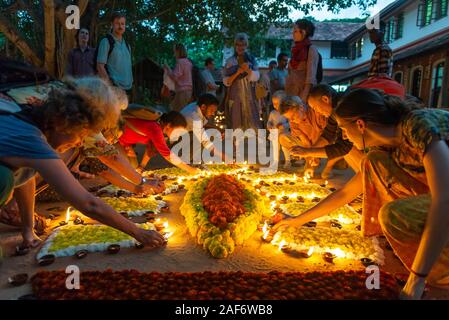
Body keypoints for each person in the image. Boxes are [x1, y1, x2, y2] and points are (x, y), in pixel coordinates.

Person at [277, 88, 449, 299]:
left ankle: (442, 282)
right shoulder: (385, 147)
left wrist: (417, 278)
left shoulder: (417, 126)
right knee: (372, 162)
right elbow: (345, 193)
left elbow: (444, 199)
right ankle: (427, 250)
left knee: (394, 214)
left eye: (345, 131)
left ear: (360, 125)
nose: (346, 137)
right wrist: (297, 220)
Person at [0, 77, 165, 249]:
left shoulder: (38, 110)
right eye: (83, 134)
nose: (81, 142)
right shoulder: (31, 136)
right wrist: (139, 232)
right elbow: (89, 203)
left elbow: (26, 176)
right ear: (67, 123)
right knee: (3, 179)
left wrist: (28, 229)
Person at [291, 84, 364, 178]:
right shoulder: (334, 112)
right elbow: (327, 136)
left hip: (378, 145)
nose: (317, 112)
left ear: (325, 99)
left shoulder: (344, 107)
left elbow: (343, 147)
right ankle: (364, 178)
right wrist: (312, 152)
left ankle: (371, 179)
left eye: (315, 107)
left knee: (349, 149)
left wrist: (308, 152)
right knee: (346, 149)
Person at [117, 111, 199, 174]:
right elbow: (168, 156)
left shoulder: (158, 126)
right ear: (169, 126)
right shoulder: (156, 128)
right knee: (126, 171)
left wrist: (141, 167)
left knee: (134, 169)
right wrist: (190, 169)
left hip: (124, 143)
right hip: (114, 138)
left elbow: (151, 148)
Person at [279, 95, 328, 177]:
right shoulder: (293, 121)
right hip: (309, 144)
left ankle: (328, 168)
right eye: (289, 118)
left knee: (338, 144)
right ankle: (309, 165)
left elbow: (327, 136)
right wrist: (310, 158)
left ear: (301, 107)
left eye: (293, 116)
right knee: (283, 137)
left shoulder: (317, 112)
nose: (291, 120)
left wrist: (315, 154)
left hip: (324, 142)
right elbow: (306, 142)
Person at [223, 33, 261, 130]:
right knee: (236, 121)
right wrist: (238, 72)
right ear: (235, 46)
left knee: (252, 122)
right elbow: (226, 82)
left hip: (250, 96)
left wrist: (248, 70)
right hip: (235, 96)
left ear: (246, 45)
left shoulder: (252, 60)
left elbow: (257, 77)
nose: (241, 47)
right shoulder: (230, 61)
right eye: (238, 45)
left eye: (243, 44)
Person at [180, 94, 225, 163]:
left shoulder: (197, 105)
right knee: (205, 138)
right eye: (211, 110)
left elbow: (204, 123)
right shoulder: (193, 116)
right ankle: (184, 160)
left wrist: (218, 129)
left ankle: (193, 157)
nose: (213, 114)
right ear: (203, 107)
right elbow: (204, 141)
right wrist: (224, 157)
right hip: (180, 140)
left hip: (188, 135)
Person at [97, 12, 133, 92]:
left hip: (128, 88)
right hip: (114, 88)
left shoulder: (127, 46)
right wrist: (110, 87)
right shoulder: (106, 42)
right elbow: (100, 66)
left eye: (122, 24)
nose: (120, 26)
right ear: (112, 24)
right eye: (117, 23)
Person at [285, 19, 319, 102]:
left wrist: (302, 100)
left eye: (295, 31)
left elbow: (310, 79)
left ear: (303, 32)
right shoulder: (295, 50)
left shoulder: (311, 50)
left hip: (302, 98)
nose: (293, 34)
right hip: (290, 95)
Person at [164, 44, 193, 111]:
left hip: (182, 92)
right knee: (184, 111)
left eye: (174, 51)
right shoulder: (189, 62)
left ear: (178, 51)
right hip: (189, 91)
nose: (174, 53)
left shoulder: (180, 62)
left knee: (178, 112)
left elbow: (174, 77)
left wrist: (167, 68)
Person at [267, 90, 291, 169]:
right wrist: (269, 125)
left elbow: (290, 123)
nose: (275, 105)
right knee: (275, 148)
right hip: (274, 133)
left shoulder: (287, 113)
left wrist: (284, 126)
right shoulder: (273, 113)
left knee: (285, 148)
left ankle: (288, 162)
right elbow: (269, 121)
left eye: (277, 103)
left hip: (283, 133)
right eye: (274, 103)